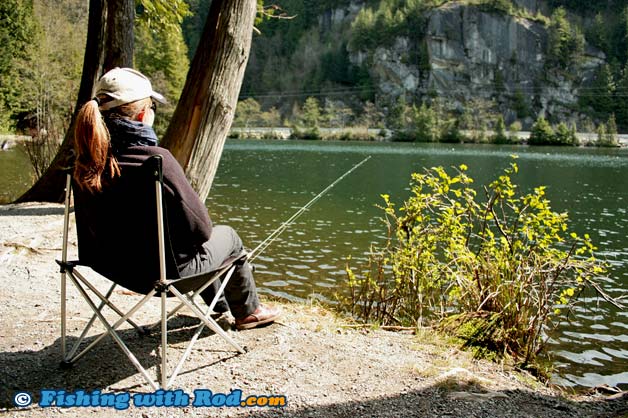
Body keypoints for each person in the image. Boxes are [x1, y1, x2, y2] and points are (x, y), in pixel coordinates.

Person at [73, 67, 280, 330]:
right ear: (141, 114)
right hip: (163, 277)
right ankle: (248, 312)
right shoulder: (156, 161)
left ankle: (220, 307)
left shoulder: (85, 164)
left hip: (111, 267)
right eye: (152, 108)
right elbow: (202, 230)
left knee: (200, 245)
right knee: (228, 237)